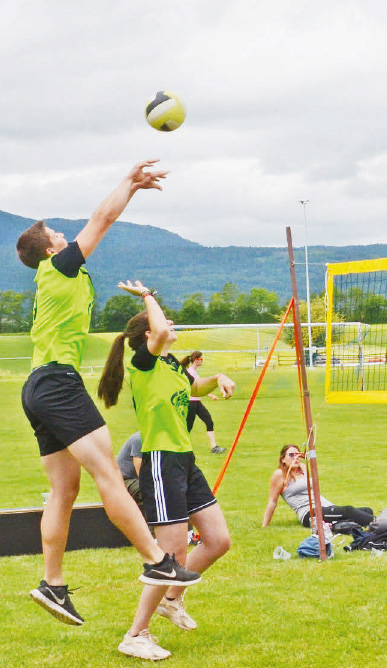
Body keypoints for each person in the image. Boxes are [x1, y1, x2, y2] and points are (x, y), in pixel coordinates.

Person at [16, 160, 200, 641]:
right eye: (58, 233)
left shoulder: (56, 279)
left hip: (36, 387)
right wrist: (130, 183)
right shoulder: (57, 266)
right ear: (51, 248)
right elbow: (102, 220)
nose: (65, 235)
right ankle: (158, 561)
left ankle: (53, 583)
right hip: (57, 383)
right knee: (105, 475)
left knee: (64, 491)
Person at [97, 280, 236, 658]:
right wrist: (147, 296)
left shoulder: (173, 364)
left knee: (218, 540)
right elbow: (159, 329)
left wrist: (218, 380)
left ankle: (171, 600)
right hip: (159, 461)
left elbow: (196, 388)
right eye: (166, 324)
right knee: (169, 555)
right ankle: (136, 634)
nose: (172, 327)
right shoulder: (144, 361)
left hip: (185, 459)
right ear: (149, 334)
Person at [262, 444, 375, 528]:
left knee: (367, 510)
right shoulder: (280, 474)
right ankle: (381, 523)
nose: (296, 458)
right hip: (309, 513)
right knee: (348, 510)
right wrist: (264, 526)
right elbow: (272, 501)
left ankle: (339, 524)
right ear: (283, 459)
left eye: (299, 455)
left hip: (324, 506)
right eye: (291, 455)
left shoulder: (303, 468)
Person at [179, 351, 226, 454]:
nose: (202, 361)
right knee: (188, 427)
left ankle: (214, 448)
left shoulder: (194, 372)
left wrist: (211, 395)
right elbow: (193, 389)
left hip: (197, 402)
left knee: (209, 421)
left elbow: (199, 388)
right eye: (201, 359)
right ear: (196, 360)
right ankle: (179, 448)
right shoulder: (190, 372)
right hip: (191, 403)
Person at [117, 431, 144, 504]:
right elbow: (142, 474)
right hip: (124, 481)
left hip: (135, 480)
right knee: (153, 490)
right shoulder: (139, 439)